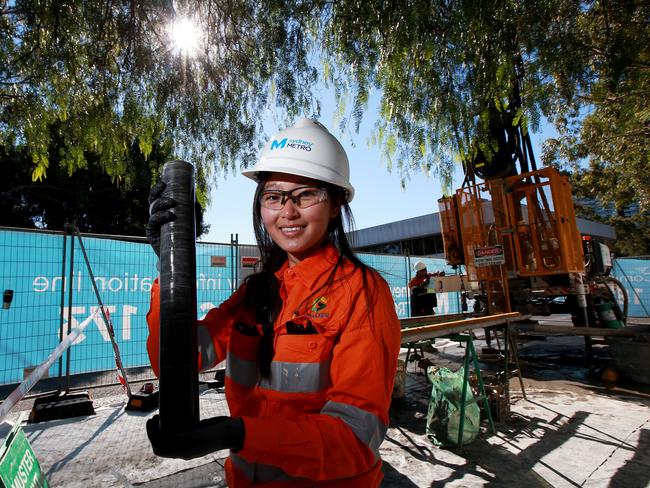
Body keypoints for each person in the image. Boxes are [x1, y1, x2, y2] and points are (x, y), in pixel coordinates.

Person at [145, 118, 402, 487]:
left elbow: (355, 437)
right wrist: (168, 262)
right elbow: (175, 360)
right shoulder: (257, 292)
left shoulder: (363, 292)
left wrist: (236, 435)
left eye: (305, 195)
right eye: (274, 196)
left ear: (336, 203)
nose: (288, 212)